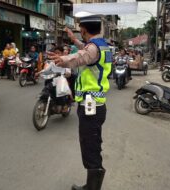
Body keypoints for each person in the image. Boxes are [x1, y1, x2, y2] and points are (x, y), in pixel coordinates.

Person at [48, 15, 112, 190]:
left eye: (80, 29)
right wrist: (73, 39)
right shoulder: (102, 46)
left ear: (84, 29)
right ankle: (91, 185)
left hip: (90, 106)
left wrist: (64, 59)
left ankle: (92, 188)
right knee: (92, 144)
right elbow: (85, 50)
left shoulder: (93, 49)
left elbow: (82, 56)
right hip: (97, 104)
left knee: (90, 146)